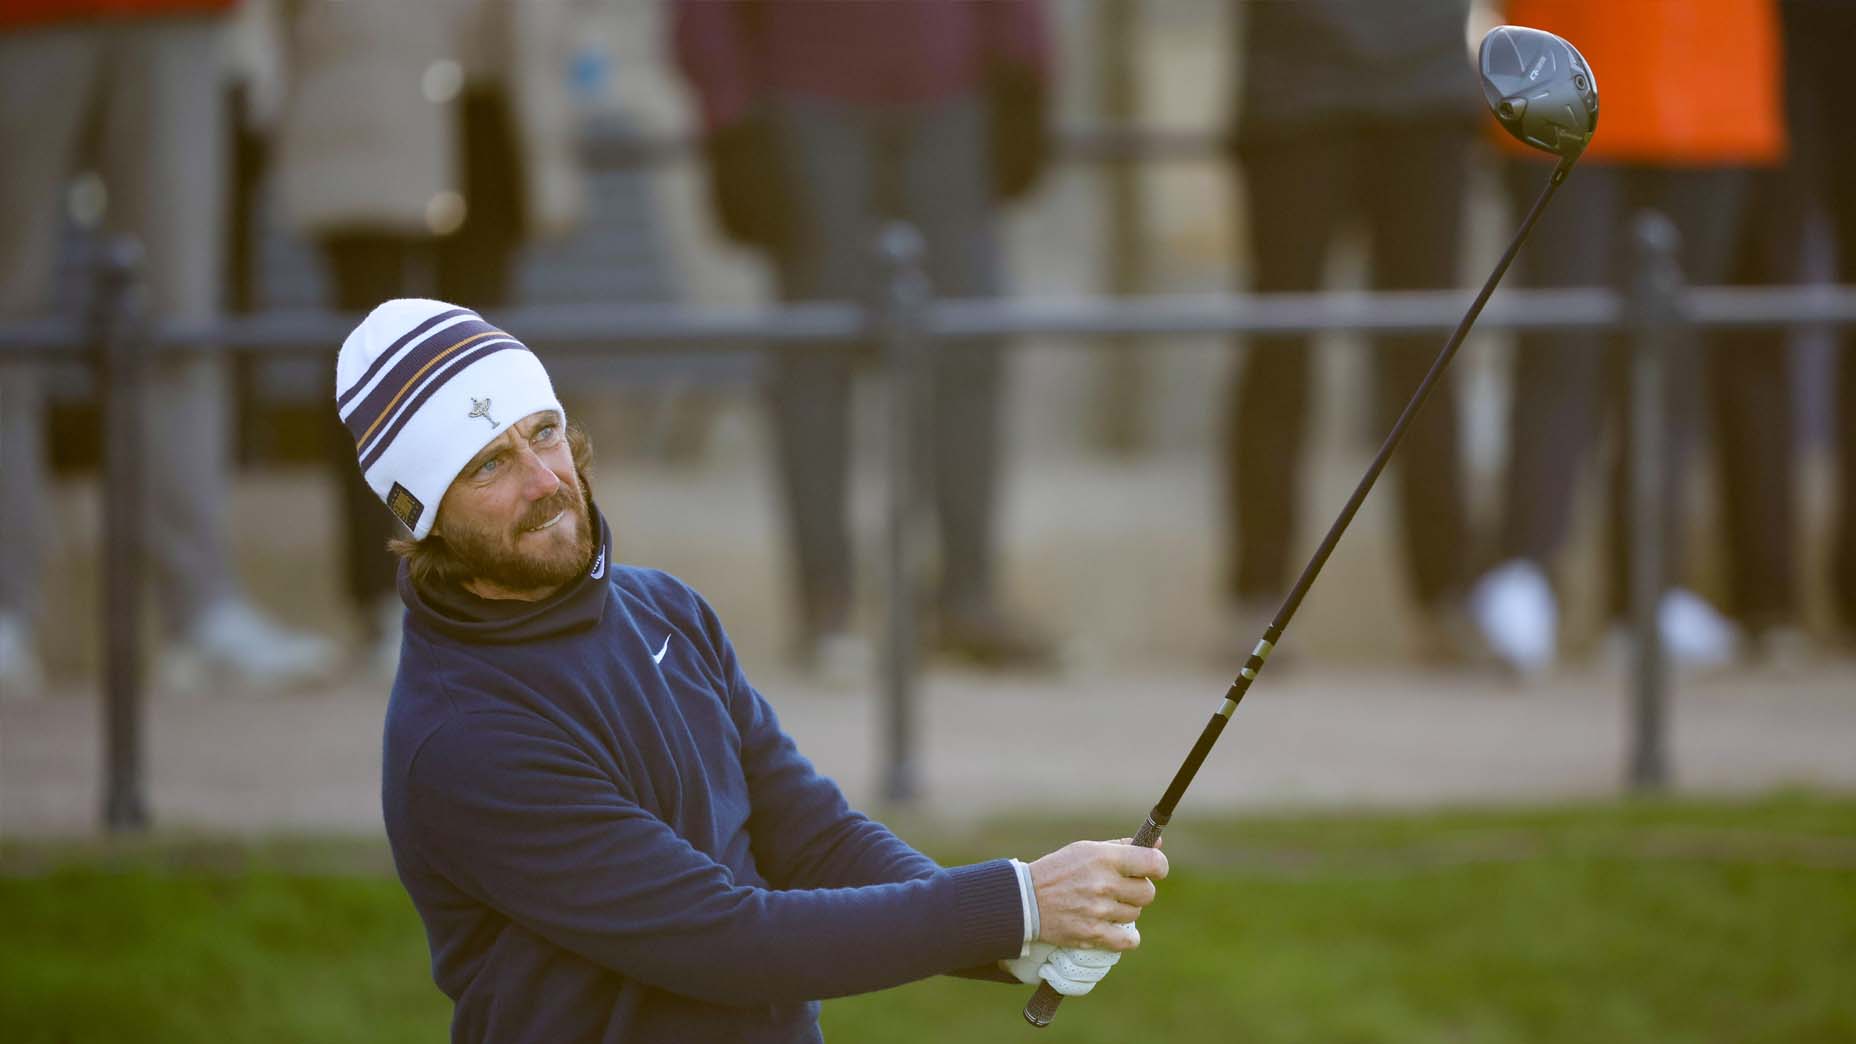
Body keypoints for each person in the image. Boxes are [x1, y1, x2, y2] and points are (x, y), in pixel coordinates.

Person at [341, 298, 1166, 1041]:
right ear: (424, 515)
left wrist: (1014, 943)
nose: (545, 481)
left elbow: (810, 837)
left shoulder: (664, 608)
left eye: (544, 431)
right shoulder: (462, 739)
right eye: (488, 464)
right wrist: (1013, 903)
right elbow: (727, 941)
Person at [673, 0, 1056, 675]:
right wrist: (728, 115)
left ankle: (968, 596)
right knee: (815, 360)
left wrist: (1027, 66)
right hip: (804, 99)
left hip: (952, 95)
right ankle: (827, 604)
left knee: (970, 347)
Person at [0, 0, 333, 698]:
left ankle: (202, 612)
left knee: (179, 318)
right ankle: (5, 611)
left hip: (174, 13)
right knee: (7, 321)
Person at [1468, 0, 1785, 673]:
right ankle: (1525, 567)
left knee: (1672, 354)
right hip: (1565, 61)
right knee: (1559, 341)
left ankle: (1647, 592)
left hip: (1711, 80)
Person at [271, 0, 584, 675]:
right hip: (364, 93)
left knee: (495, 393)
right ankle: (381, 597)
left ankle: (491, 586)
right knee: (373, 383)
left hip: (491, 106)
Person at [1222, 0, 1494, 667]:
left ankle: (1446, 594)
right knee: (1280, 353)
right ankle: (1256, 596)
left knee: (1428, 357)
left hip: (1428, 94)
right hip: (1297, 92)